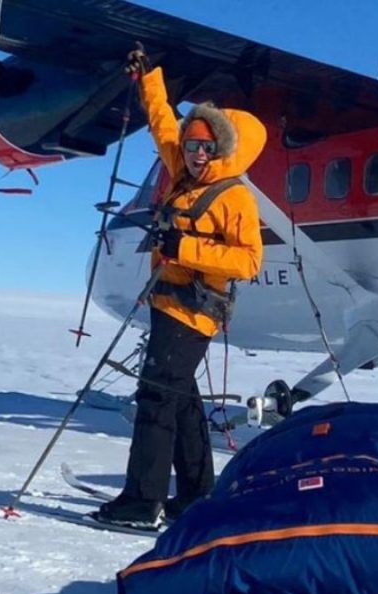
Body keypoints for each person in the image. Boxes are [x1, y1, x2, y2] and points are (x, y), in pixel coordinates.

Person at [96, 44, 267, 528]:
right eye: (191, 146)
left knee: (155, 399)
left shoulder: (233, 196)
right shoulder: (181, 172)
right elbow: (162, 124)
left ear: (221, 150)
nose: (194, 154)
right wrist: (149, 75)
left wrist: (184, 247)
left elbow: (249, 261)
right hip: (167, 302)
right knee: (182, 399)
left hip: (193, 310)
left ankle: (139, 502)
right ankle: (196, 498)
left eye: (205, 148)